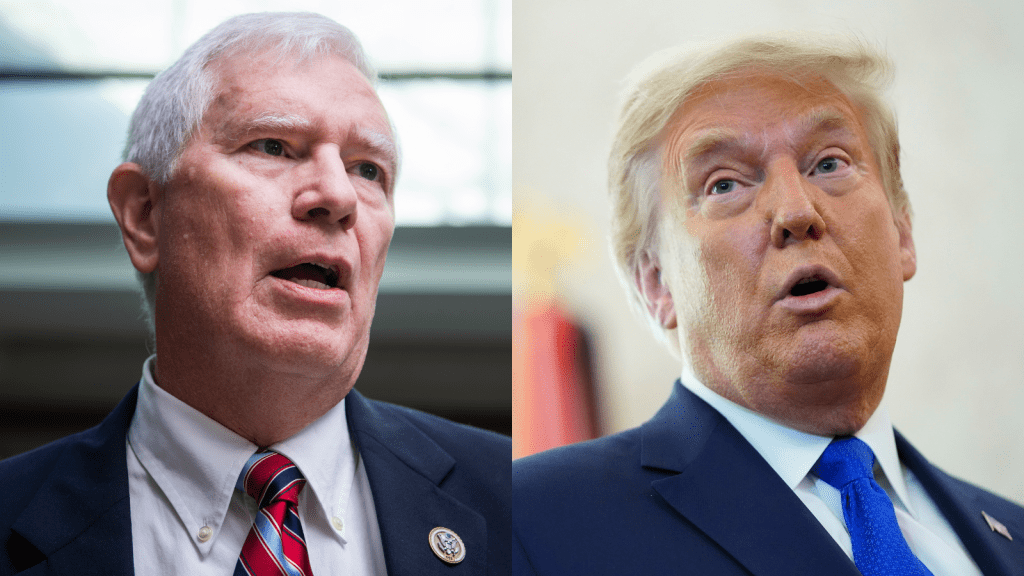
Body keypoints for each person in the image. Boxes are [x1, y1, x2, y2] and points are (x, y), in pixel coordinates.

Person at [0, 12, 510, 575]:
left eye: (368, 169)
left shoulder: (517, 499)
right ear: (145, 214)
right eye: (274, 146)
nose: (337, 195)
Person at [512, 35, 1024, 575]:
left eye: (829, 164)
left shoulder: (1011, 537)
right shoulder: (537, 526)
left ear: (902, 233)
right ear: (656, 283)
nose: (796, 210)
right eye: (724, 183)